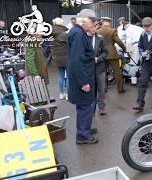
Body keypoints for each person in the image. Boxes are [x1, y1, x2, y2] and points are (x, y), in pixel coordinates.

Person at [67, 9, 98, 144]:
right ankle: (82, 136)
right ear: (85, 21)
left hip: (83, 75)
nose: (93, 27)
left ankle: (85, 128)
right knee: (85, 107)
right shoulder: (79, 35)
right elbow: (76, 61)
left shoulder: (78, 32)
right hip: (82, 78)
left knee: (86, 106)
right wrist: (83, 82)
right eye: (92, 24)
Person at [97, 17, 126, 93]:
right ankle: (120, 89)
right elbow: (118, 41)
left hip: (102, 54)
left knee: (103, 72)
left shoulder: (98, 31)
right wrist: (124, 48)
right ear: (109, 22)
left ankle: (103, 88)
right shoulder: (112, 30)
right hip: (112, 53)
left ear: (102, 22)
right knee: (117, 72)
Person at [89, 20, 108, 115]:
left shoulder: (100, 39)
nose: (92, 29)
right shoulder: (84, 39)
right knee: (91, 89)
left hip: (100, 68)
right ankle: (91, 108)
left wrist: (98, 58)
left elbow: (105, 52)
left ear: (96, 27)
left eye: (94, 27)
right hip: (89, 69)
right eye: (91, 27)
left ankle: (102, 107)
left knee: (101, 89)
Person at [51, 17, 69, 100]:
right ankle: (68, 94)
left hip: (56, 57)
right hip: (66, 57)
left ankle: (61, 94)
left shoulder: (50, 32)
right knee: (68, 76)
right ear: (61, 24)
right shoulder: (64, 33)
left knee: (61, 76)